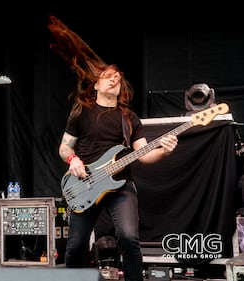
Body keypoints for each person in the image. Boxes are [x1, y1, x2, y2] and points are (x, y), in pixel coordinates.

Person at [48, 16, 178, 281]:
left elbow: (144, 154)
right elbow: (64, 147)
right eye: (107, 77)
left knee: (129, 237)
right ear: (96, 84)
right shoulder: (82, 112)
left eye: (117, 78)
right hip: (84, 183)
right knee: (74, 246)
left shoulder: (129, 119)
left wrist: (163, 150)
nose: (113, 80)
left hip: (121, 184)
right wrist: (73, 159)